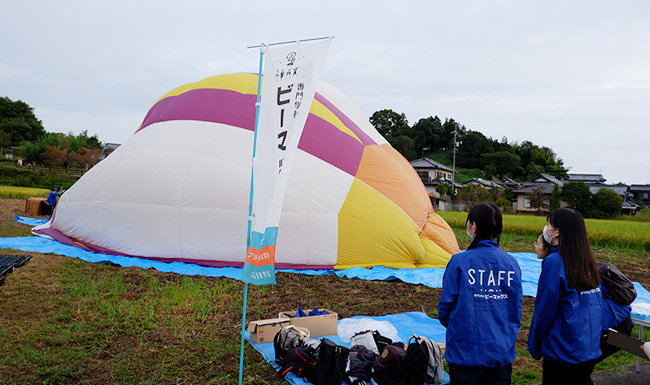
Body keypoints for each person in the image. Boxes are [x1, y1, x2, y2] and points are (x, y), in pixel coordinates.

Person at [438, 202, 523, 385]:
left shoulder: (459, 261)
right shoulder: (511, 263)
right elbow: (514, 307)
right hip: (500, 349)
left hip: (465, 351)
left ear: (473, 226)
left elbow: (445, 306)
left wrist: (458, 329)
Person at [533, 231, 633, 367]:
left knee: (576, 370)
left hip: (610, 324)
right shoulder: (576, 262)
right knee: (581, 371)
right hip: (619, 320)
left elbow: (547, 311)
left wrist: (536, 345)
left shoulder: (560, 266)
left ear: (548, 246)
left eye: (537, 243)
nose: (535, 247)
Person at [528, 208, 602, 385]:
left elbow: (544, 311)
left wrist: (535, 345)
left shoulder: (554, 263)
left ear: (557, 231)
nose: (545, 228)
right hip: (587, 347)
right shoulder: (587, 261)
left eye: (548, 224)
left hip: (562, 349)